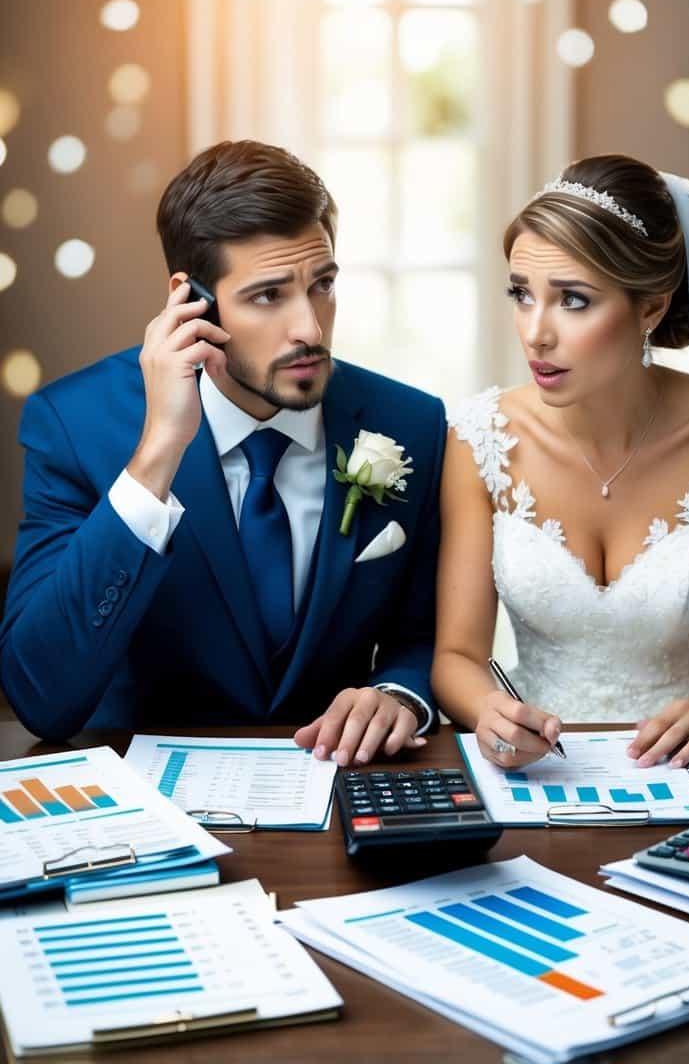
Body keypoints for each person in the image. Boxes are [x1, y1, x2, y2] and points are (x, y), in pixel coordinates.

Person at [0, 140, 446, 764]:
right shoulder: (74, 425)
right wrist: (158, 451)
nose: (310, 330)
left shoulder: (413, 423)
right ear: (191, 301)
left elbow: (423, 635)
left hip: (339, 786)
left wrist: (399, 694)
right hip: (146, 811)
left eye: (322, 285)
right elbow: (42, 698)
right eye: (268, 296)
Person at [432, 154, 689, 770]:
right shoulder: (478, 436)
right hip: (535, 776)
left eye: (574, 300)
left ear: (650, 307)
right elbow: (457, 654)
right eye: (522, 294)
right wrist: (490, 712)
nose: (535, 332)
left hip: (688, 771)